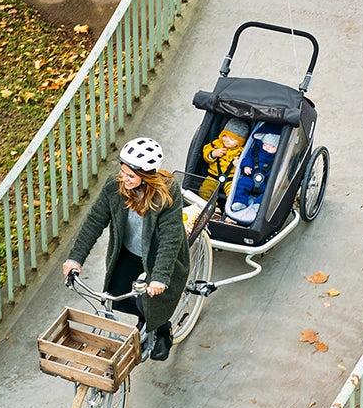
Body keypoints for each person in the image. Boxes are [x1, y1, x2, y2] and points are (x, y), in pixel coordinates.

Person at [62, 138, 190, 361]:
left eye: (130, 175)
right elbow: (95, 221)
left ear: (146, 176)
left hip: (158, 256)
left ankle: (162, 330)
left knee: (150, 301)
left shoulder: (167, 193)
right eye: (122, 172)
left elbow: (170, 239)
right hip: (129, 252)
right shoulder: (115, 187)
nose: (124, 178)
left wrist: (159, 278)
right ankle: (148, 318)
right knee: (116, 296)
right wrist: (75, 259)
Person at [198, 118, 250, 200]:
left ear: (240, 142)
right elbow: (206, 151)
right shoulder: (216, 144)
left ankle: (230, 206)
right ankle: (211, 206)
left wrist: (240, 164)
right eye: (225, 136)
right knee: (203, 191)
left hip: (231, 179)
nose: (227, 140)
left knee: (234, 194)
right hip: (213, 176)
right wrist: (213, 154)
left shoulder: (241, 151)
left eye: (232, 139)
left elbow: (248, 161)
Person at [230, 130, 280, 212]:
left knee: (268, 191)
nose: (267, 147)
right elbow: (248, 157)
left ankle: (259, 204)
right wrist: (246, 166)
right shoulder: (255, 151)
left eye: (272, 146)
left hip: (265, 181)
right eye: (265, 144)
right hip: (251, 177)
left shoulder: (277, 158)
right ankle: (240, 201)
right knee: (242, 183)